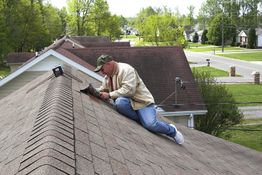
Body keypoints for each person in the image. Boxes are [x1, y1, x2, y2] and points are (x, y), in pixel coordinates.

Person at [94, 54, 184, 144]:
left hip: (143, 103)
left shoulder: (126, 70)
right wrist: (95, 91)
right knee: (119, 103)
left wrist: (109, 95)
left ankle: (172, 130)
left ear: (109, 64)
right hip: (128, 102)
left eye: (102, 69)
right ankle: (143, 119)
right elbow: (104, 89)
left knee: (150, 124)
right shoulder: (108, 77)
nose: (102, 72)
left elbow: (129, 90)